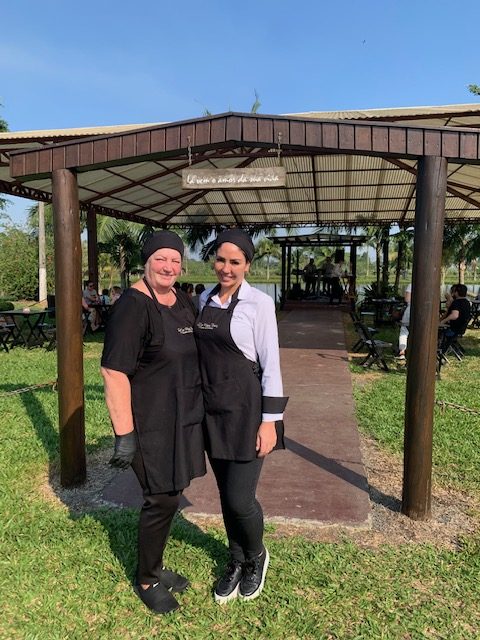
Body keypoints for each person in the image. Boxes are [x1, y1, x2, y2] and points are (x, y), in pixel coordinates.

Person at [101, 230, 206, 615]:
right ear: (147, 261)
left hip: (182, 416)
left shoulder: (181, 299)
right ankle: (146, 577)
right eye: (161, 259)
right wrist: (124, 435)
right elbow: (113, 371)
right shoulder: (132, 306)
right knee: (160, 497)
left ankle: (156, 565)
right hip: (149, 423)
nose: (168, 267)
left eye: (175, 260)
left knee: (173, 493)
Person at [194, 228, 288, 604]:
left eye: (235, 262)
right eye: (221, 260)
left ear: (248, 264)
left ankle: (255, 557)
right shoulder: (203, 298)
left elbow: (272, 365)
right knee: (224, 493)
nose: (226, 268)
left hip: (248, 412)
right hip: (211, 409)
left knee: (239, 498)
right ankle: (235, 559)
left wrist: (270, 421)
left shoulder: (259, 304)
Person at [439, 283, 471, 352]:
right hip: (461, 329)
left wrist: (443, 321)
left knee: (437, 331)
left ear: (456, 292)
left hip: (453, 330)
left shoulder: (456, 302)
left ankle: (440, 350)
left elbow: (454, 315)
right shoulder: (467, 302)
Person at [396, 283, 412, 362]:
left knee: (404, 331)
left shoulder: (411, 285)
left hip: (410, 310)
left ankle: (402, 351)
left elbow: (407, 299)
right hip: (425, 312)